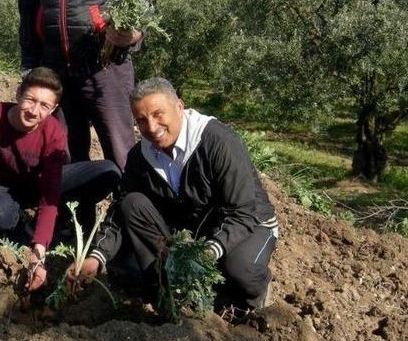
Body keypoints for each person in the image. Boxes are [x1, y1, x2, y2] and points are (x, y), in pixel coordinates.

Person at [68, 78, 279, 310]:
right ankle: (166, 293)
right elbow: (120, 209)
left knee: (239, 268)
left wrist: (209, 252)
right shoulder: (140, 156)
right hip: (196, 228)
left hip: (249, 223)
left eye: (158, 114)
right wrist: (97, 257)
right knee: (132, 205)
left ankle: (251, 299)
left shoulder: (217, 141)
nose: (151, 126)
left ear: (179, 106)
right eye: (141, 119)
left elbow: (242, 212)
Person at [0, 67, 120, 292]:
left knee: (108, 172)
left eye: (44, 106)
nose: (34, 111)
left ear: (53, 109)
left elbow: (49, 196)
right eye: (30, 100)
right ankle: (21, 229)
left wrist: (37, 257)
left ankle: (60, 226)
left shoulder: (53, 133)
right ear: (18, 94)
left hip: (34, 186)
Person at [18, 0, 145, 171]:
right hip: (55, 71)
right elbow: (28, 9)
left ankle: (126, 212)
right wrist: (29, 64)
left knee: (121, 151)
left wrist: (132, 36)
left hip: (105, 69)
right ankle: (72, 214)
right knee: (63, 154)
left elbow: (140, 3)